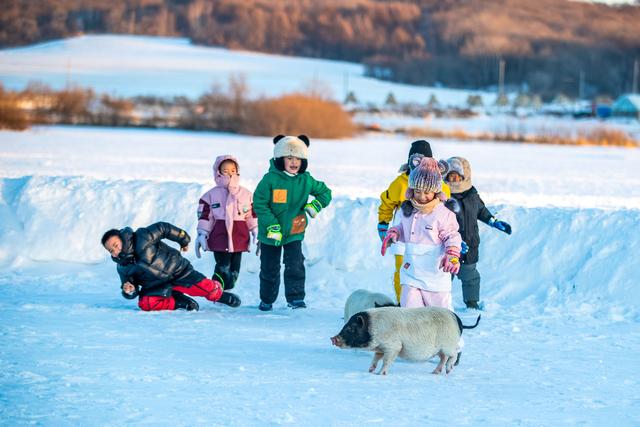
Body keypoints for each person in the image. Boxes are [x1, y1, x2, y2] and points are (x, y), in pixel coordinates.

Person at [381, 157, 463, 364]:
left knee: (441, 314)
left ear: (435, 192)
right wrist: (393, 234)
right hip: (411, 272)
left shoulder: (443, 214)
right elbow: (400, 228)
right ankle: (415, 346)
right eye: (417, 191)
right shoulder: (406, 211)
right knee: (410, 311)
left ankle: (454, 347)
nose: (422, 196)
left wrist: (452, 254)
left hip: (435, 273)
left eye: (427, 192)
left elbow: (452, 236)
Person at [253, 135, 332, 311]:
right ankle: (267, 299)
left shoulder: (306, 180)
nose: (294, 162)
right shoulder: (270, 180)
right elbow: (259, 203)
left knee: (295, 265)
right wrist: (272, 225)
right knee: (269, 268)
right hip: (270, 233)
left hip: (294, 231)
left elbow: (325, 192)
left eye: (298, 158)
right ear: (280, 159)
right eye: (289, 158)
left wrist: (315, 206)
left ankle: (295, 298)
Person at [101, 222, 241, 311]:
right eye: (111, 250)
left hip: (179, 272)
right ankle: (179, 301)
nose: (115, 251)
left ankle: (220, 295)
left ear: (121, 238)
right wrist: (129, 291)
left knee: (208, 289)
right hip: (156, 285)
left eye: (115, 245)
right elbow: (129, 288)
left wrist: (183, 239)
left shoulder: (142, 237)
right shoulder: (122, 267)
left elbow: (163, 228)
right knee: (146, 303)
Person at [377, 139, 451, 303]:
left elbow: (447, 212)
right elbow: (387, 202)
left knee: (427, 272)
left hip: (429, 238)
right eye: (415, 160)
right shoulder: (401, 183)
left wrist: (453, 238)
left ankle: (427, 303)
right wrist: (383, 223)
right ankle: (402, 304)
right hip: (403, 236)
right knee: (403, 273)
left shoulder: (438, 184)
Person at [444, 156, 511, 309]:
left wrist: (492, 221)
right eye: (450, 176)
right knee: (444, 276)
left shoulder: (472, 195)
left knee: (471, 276)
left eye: (457, 176)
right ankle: (440, 303)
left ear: (464, 176)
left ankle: (471, 303)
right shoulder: (444, 197)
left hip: (470, 243)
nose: (454, 179)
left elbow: (481, 210)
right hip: (450, 246)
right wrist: (453, 242)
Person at [194, 155, 257, 292]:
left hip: (239, 238)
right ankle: (215, 290)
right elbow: (205, 216)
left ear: (237, 171)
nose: (230, 173)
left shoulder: (246, 194)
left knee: (234, 270)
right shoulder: (210, 195)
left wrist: (255, 230)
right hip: (220, 237)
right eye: (225, 170)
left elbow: (251, 214)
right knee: (222, 266)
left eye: (233, 170)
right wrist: (202, 233)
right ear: (218, 172)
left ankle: (225, 289)